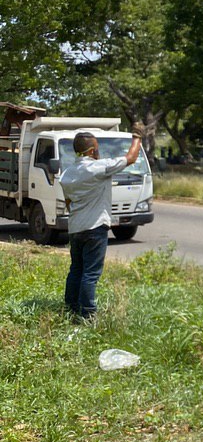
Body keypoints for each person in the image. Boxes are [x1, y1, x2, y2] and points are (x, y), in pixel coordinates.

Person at [60, 128, 143, 319]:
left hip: (76, 228)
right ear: (91, 152)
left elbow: (68, 203)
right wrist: (137, 137)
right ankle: (88, 315)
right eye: (96, 149)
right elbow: (130, 158)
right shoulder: (98, 168)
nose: (99, 152)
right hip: (95, 227)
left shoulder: (67, 174)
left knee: (76, 270)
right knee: (90, 274)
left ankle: (71, 309)